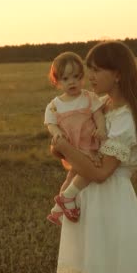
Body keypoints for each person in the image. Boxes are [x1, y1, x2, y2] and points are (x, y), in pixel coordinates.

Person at [51, 41, 137, 273]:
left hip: (111, 206)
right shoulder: (98, 105)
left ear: (118, 74)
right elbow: (76, 155)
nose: (89, 76)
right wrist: (59, 146)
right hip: (88, 201)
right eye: (88, 69)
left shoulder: (129, 118)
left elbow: (101, 173)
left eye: (97, 70)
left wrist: (65, 148)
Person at [44, 52, 107, 225]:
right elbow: (50, 123)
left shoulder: (89, 98)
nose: (72, 82)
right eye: (65, 78)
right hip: (72, 147)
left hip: (89, 144)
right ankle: (65, 201)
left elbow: (98, 115)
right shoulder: (55, 105)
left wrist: (101, 128)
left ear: (82, 77)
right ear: (57, 81)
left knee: (77, 174)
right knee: (76, 174)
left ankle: (59, 207)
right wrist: (56, 132)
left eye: (76, 77)